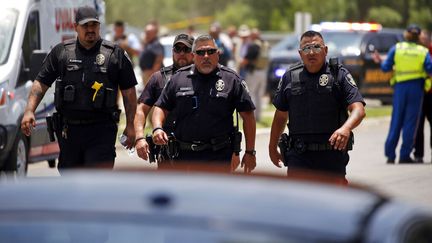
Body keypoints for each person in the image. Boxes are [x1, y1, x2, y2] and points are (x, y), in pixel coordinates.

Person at [20, 6, 137, 170]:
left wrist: (131, 125)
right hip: (69, 132)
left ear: (99, 26)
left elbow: (129, 92)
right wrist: (29, 111)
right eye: (85, 26)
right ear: (76, 27)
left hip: (101, 130)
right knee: (70, 182)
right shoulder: (61, 53)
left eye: (94, 25)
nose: (90, 29)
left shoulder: (115, 54)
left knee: (96, 181)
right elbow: (41, 82)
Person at [269, 30, 366, 183]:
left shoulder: (338, 74)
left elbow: (358, 109)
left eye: (316, 47)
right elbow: (280, 115)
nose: (311, 52)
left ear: (325, 50)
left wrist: (346, 128)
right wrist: (272, 146)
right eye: (306, 48)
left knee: (333, 203)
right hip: (298, 156)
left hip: (331, 157)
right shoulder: (289, 76)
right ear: (300, 53)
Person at [151, 34, 257, 173]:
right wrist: (157, 128)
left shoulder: (231, 79)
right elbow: (161, 107)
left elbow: (248, 116)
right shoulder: (178, 79)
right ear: (194, 56)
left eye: (210, 51)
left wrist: (250, 152)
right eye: (201, 52)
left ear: (217, 54)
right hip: (184, 156)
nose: (206, 56)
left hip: (219, 156)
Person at [373, 24, 432, 164]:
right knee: (411, 122)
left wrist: (381, 62)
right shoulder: (423, 52)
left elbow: (386, 67)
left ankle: (390, 155)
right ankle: (404, 155)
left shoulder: (397, 48)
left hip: (400, 88)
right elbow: (430, 69)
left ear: (406, 34)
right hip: (416, 88)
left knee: (396, 121)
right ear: (418, 36)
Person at [134, 33, 195, 165]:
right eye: (177, 49)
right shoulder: (159, 78)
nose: (182, 53)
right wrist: (139, 137)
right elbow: (141, 110)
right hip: (168, 149)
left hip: (198, 151)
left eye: (186, 49)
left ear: (194, 52)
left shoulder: (203, 78)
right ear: (172, 51)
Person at [239, 28, 269, 122]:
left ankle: (253, 117)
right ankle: (258, 117)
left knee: (251, 93)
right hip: (263, 71)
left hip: (254, 72)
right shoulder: (264, 44)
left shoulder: (254, 45)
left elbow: (246, 59)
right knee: (259, 95)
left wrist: (240, 65)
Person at [414, 29, 432, 163]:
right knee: (418, 125)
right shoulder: (418, 52)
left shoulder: (428, 51)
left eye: (423, 39)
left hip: (431, 94)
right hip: (419, 93)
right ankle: (418, 154)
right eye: (420, 39)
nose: (421, 41)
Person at [139, 22, 164, 87]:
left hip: (152, 77)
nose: (147, 34)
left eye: (148, 33)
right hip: (147, 76)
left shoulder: (156, 45)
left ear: (154, 34)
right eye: (146, 32)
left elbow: (158, 60)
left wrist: (151, 74)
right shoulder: (148, 44)